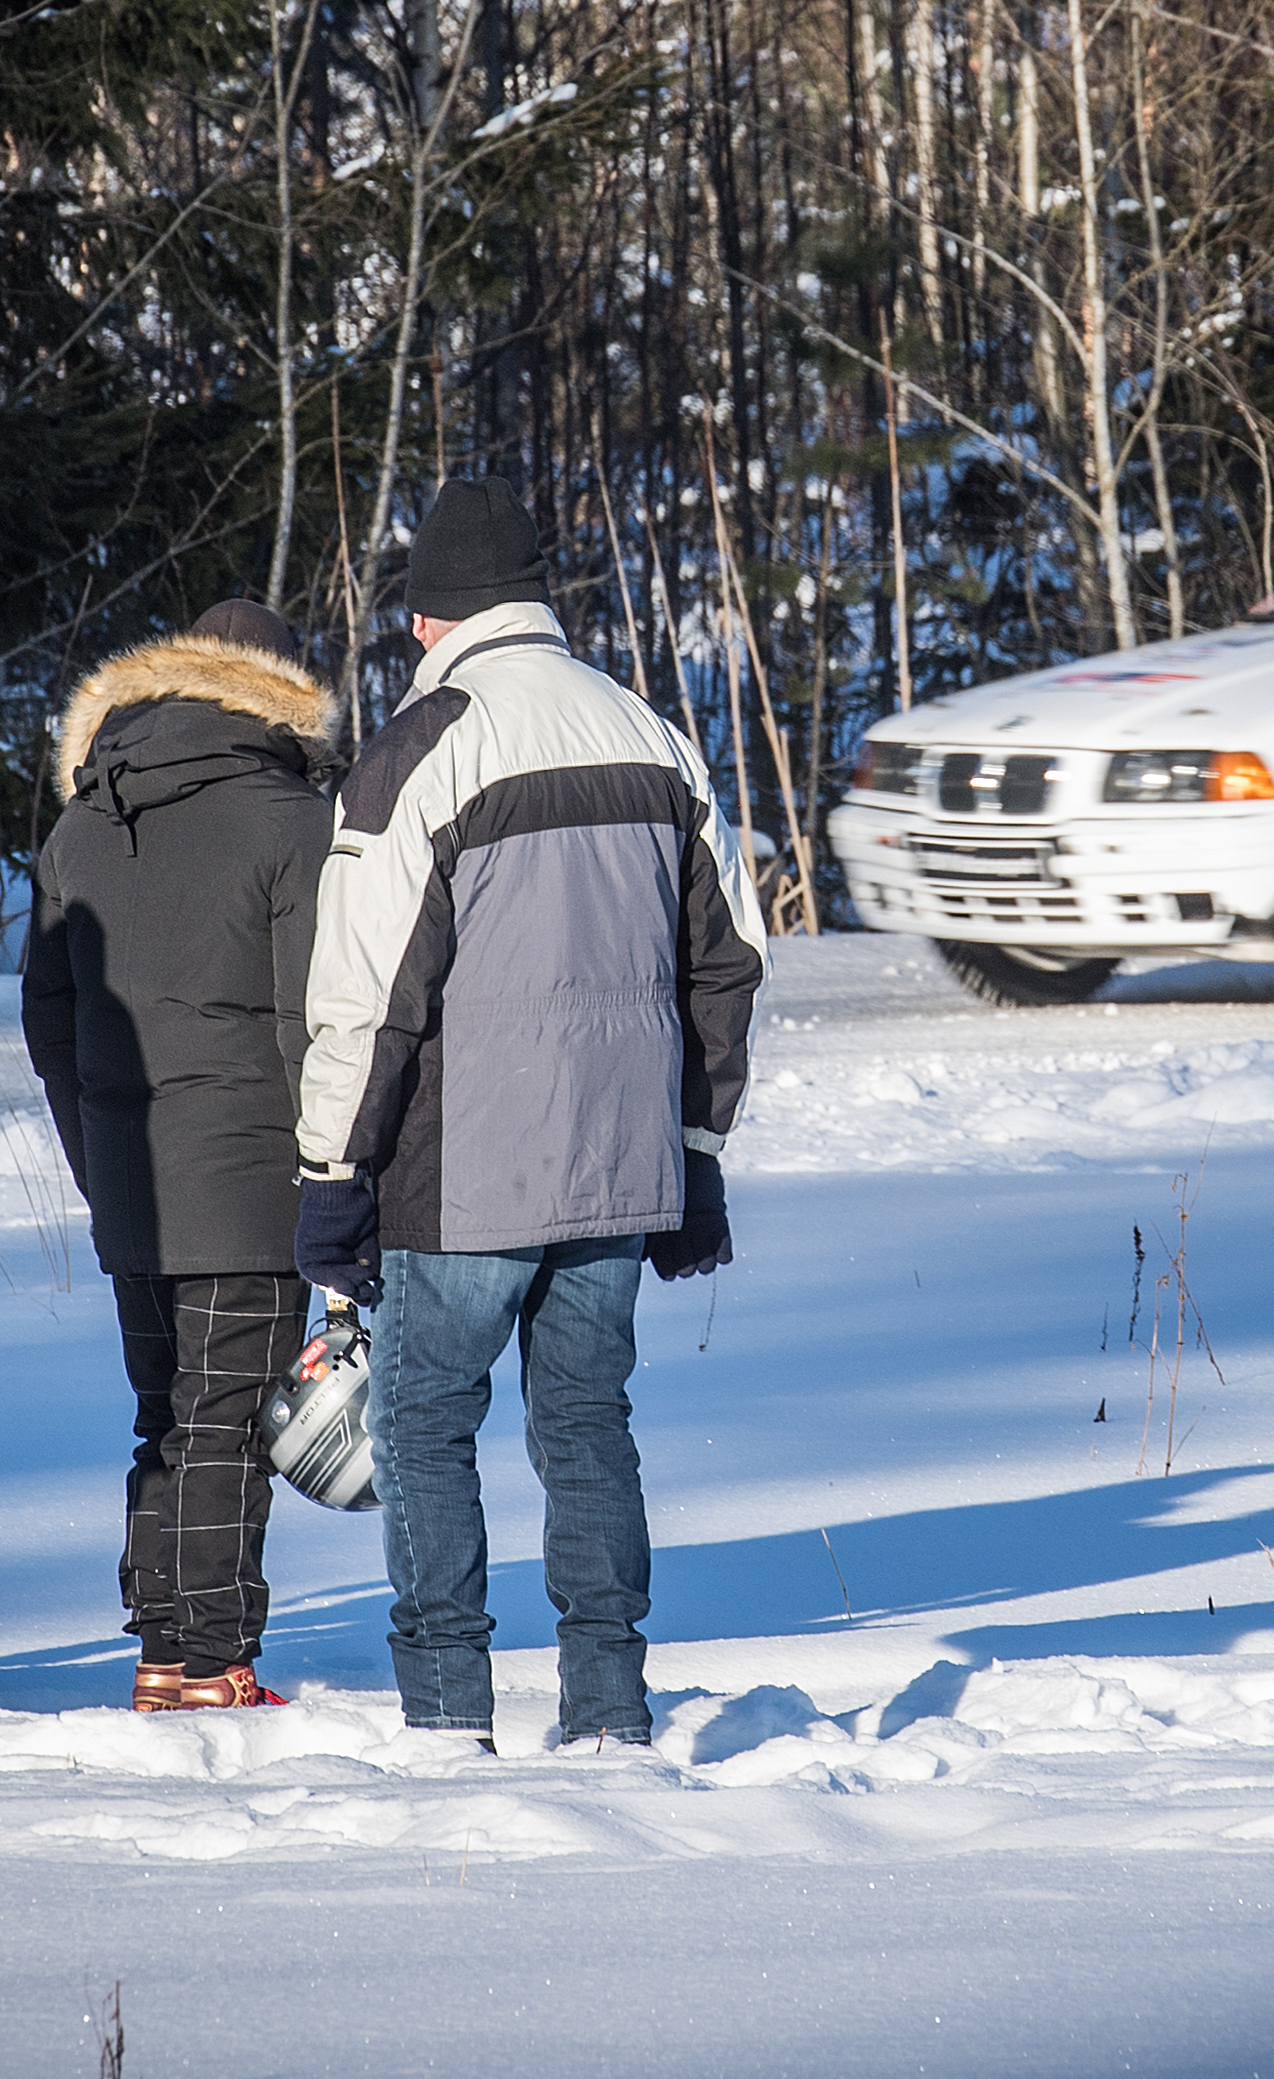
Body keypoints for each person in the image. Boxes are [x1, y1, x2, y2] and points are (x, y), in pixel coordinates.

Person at [291, 480, 764, 1752]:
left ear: (426, 619)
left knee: (422, 1425)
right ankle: (609, 1709)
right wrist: (697, 1152)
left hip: (460, 1178)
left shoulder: (423, 748)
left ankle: (448, 1712)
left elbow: (363, 990)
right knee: (586, 1427)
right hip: (619, 1166)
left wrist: (332, 1166)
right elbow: (728, 961)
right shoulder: (648, 730)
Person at [22, 599, 337, 1711]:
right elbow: (316, 1020)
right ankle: (209, 1659)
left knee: (167, 1414)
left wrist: (94, 1148)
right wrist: (337, 1169)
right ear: (277, 692)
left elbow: (49, 1018)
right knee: (227, 1420)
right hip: (253, 1173)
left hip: (130, 1173)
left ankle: (165, 1646)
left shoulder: (85, 821)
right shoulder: (292, 820)